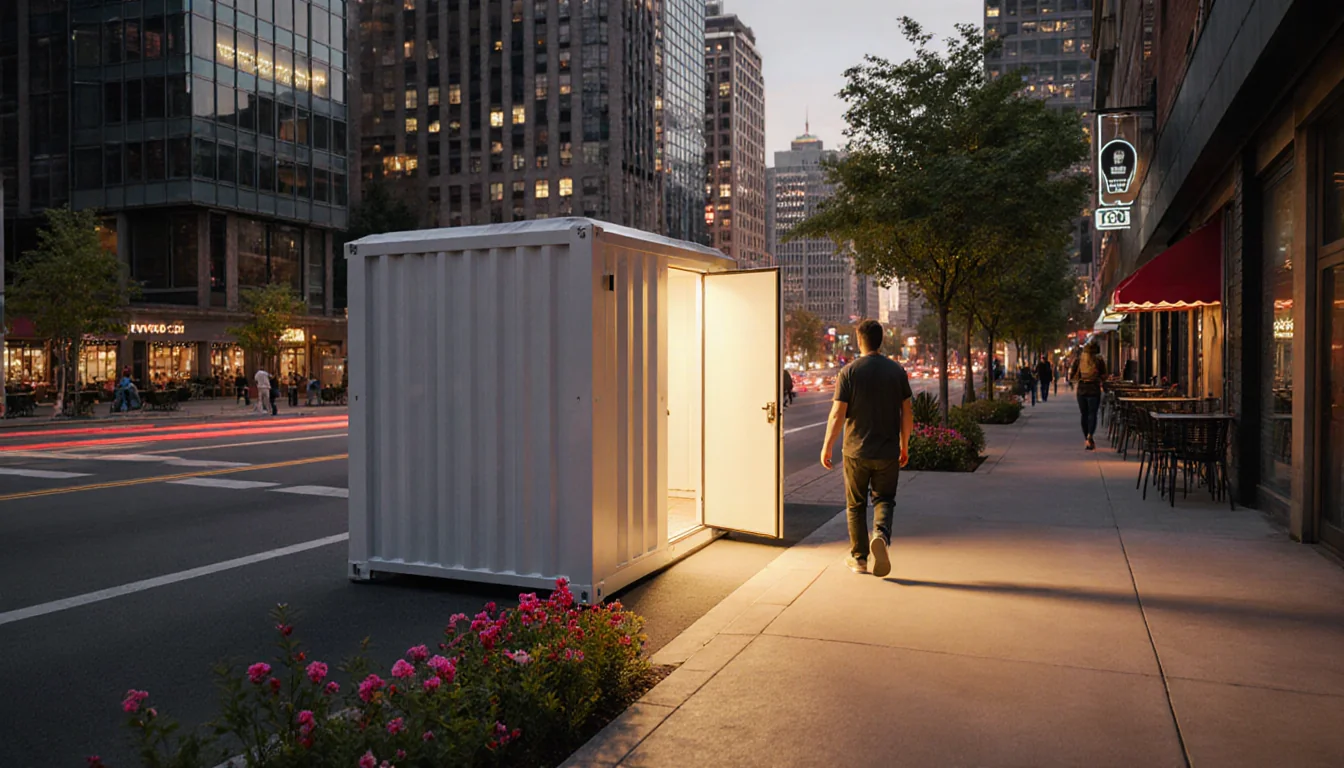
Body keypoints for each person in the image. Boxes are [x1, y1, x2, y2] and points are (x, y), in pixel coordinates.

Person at [819, 319, 914, 578]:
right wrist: (905, 445)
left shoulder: (849, 372)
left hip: (855, 452)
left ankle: (859, 558)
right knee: (884, 499)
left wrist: (827, 446)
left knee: (856, 504)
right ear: (881, 340)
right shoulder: (896, 371)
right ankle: (881, 536)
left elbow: (838, 413)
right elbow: (907, 412)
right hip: (886, 451)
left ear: (859, 341)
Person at [1069, 340, 1108, 450]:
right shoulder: (1099, 360)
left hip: (1082, 390)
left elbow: (1072, 375)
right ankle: (1090, 435)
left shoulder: (1079, 360)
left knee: (1084, 414)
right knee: (1092, 414)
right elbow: (1104, 375)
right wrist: (1099, 378)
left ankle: (1086, 437)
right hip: (1094, 390)